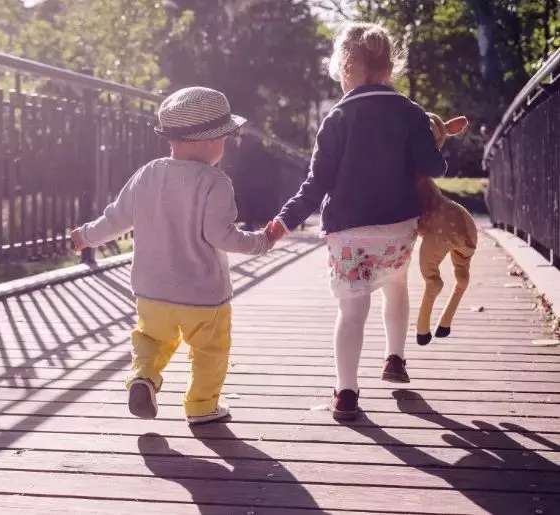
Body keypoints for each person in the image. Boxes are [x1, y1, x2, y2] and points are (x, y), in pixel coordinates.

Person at [266, 22, 448, 421]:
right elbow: (434, 167)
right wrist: (435, 141)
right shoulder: (411, 112)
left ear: (347, 66)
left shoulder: (337, 118)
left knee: (352, 310)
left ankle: (346, 392)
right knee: (396, 285)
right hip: (398, 227)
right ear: (390, 67)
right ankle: (395, 359)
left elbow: (316, 184)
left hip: (349, 231)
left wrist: (283, 221)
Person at [71, 86, 274, 425]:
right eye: (224, 138)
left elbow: (115, 219)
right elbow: (222, 236)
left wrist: (85, 236)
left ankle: (144, 377)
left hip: (152, 291)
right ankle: (202, 406)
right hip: (204, 296)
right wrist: (262, 241)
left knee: (151, 340)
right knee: (210, 351)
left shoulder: (148, 174)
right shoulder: (216, 182)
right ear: (210, 142)